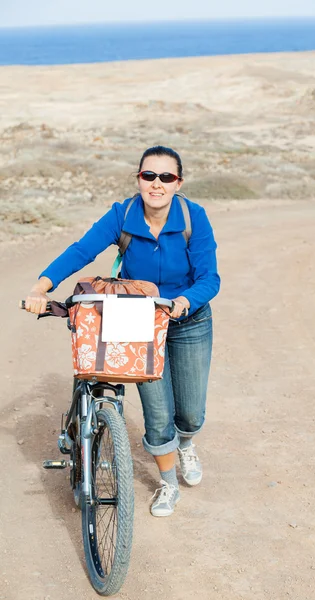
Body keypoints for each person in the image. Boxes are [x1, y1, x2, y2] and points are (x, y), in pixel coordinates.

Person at [25, 145, 220, 517]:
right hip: (140, 321)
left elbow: (209, 278)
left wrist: (183, 301)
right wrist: (42, 286)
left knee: (190, 413)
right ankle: (167, 484)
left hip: (188, 319)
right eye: (149, 175)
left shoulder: (194, 217)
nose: (157, 184)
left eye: (166, 177)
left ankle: (187, 443)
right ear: (139, 178)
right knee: (158, 412)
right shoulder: (123, 215)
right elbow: (82, 251)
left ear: (178, 183)